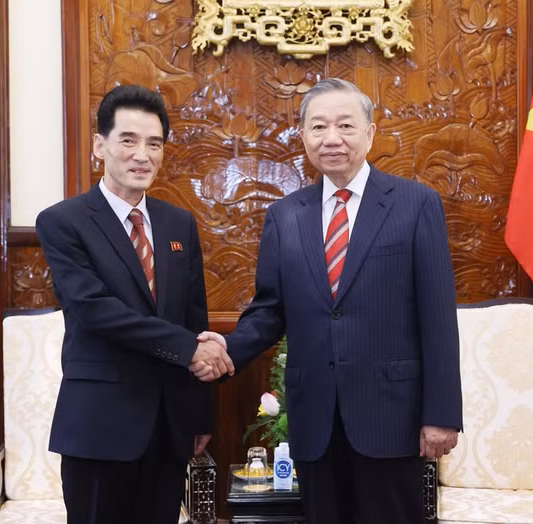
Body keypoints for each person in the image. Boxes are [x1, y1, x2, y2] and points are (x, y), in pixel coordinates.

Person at [195, 78, 463, 523]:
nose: (331, 138)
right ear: (303, 137)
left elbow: (438, 318)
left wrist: (441, 415)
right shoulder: (285, 216)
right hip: (315, 419)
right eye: (318, 127)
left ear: (371, 133)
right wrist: (225, 351)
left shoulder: (416, 205)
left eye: (345, 125)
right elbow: (269, 311)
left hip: (391, 419)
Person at [36, 84, 234, 524]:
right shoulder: (63, 222)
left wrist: (199, 415)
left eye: (154, 143)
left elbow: (194, 318)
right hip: (99, 427)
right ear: (99, 145)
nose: (141, 155)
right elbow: (94, 309)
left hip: (169, 426)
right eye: (128, 140)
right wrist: (188, 349)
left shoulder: (177, 222)